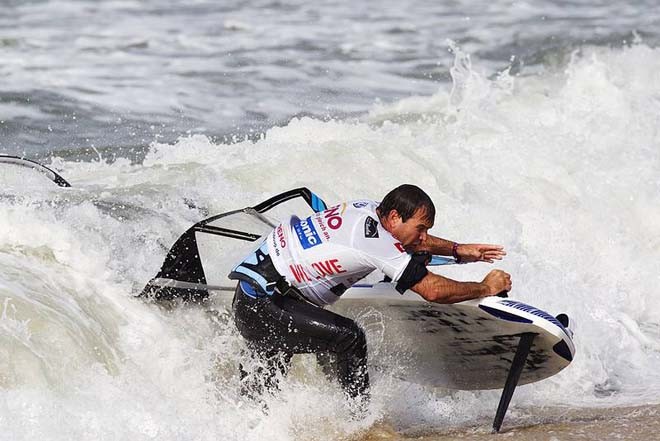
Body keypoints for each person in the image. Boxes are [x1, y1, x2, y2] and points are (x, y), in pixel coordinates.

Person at [228, 184, 511, 407]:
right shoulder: (376, 241)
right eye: (421, 228)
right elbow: (433, 290)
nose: (424, 237)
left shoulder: (367, 208)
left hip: (262, 298)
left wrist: (457, 250)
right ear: (394, 217)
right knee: (349, 337)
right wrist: (486, 288)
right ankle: (359, 421)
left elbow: (408, 240)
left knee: (258, 403)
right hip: (266, 306)